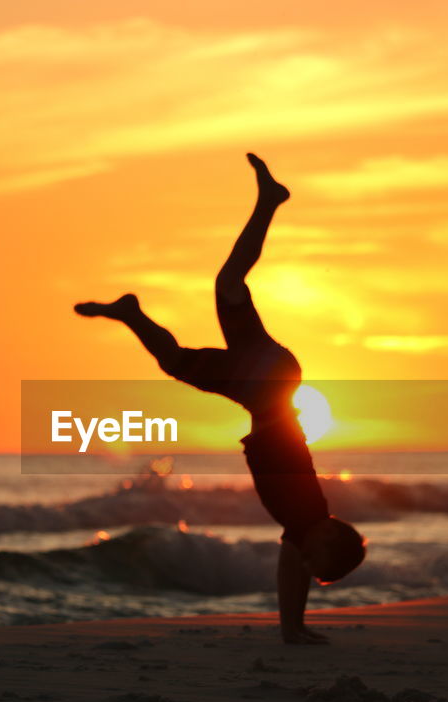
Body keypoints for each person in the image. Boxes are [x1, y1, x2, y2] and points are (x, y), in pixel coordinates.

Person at [75, 153, 366, 644]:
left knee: (226, 290)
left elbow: (291, 572)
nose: (304, 561)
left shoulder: (303, 524)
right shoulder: (305, 509)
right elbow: (293, 566)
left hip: (270, 383)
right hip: (266, 388)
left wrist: (292, 627)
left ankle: (132, 310)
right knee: (212, 307)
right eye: (315, 558)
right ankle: (268, 203)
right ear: (328, 535)